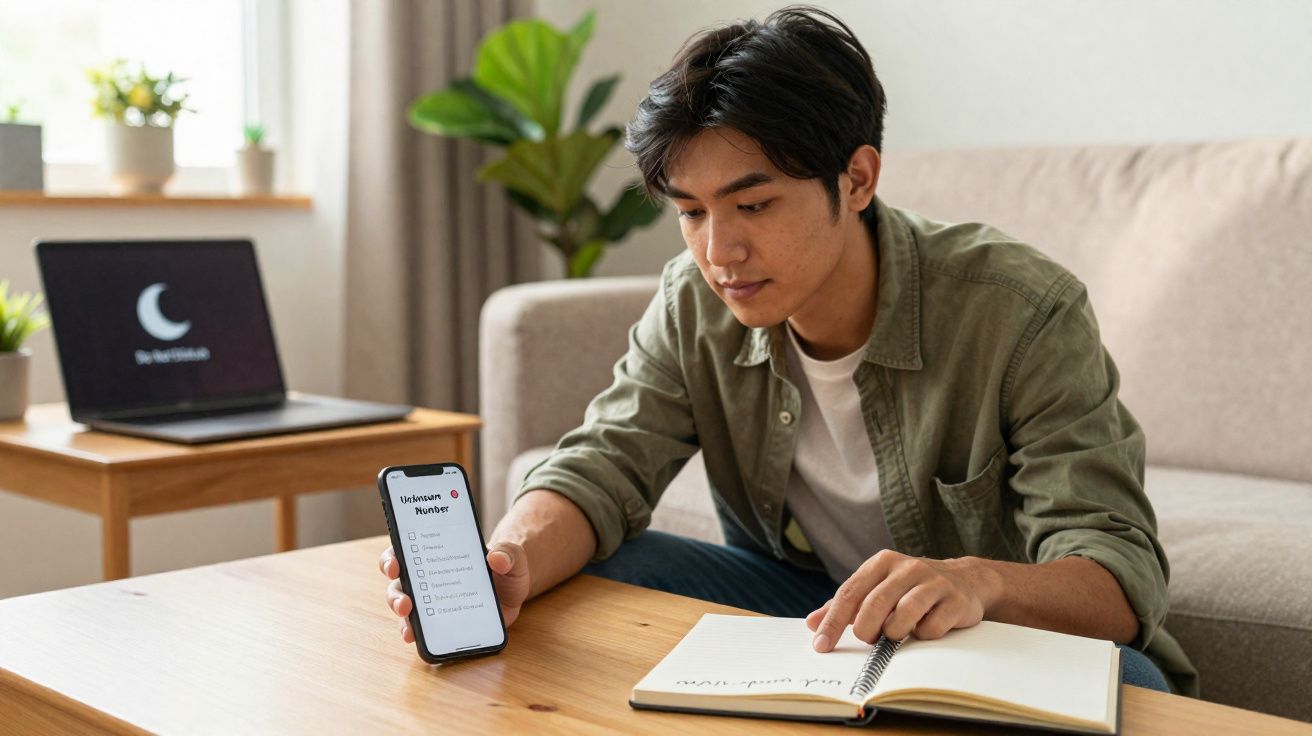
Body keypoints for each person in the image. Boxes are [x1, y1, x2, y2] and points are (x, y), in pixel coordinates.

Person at [379, 5, 1197, 695]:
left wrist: (973, 580)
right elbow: (605, 465)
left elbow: (1116, 574)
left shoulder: (1019, 310)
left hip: (988, 630)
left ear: (857, 179)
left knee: (1130, 683)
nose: (719, 251)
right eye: (692, 212)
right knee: (593, 572)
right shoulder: (693, 301)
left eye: (755, 204)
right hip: (806, 608)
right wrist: (508, 560)